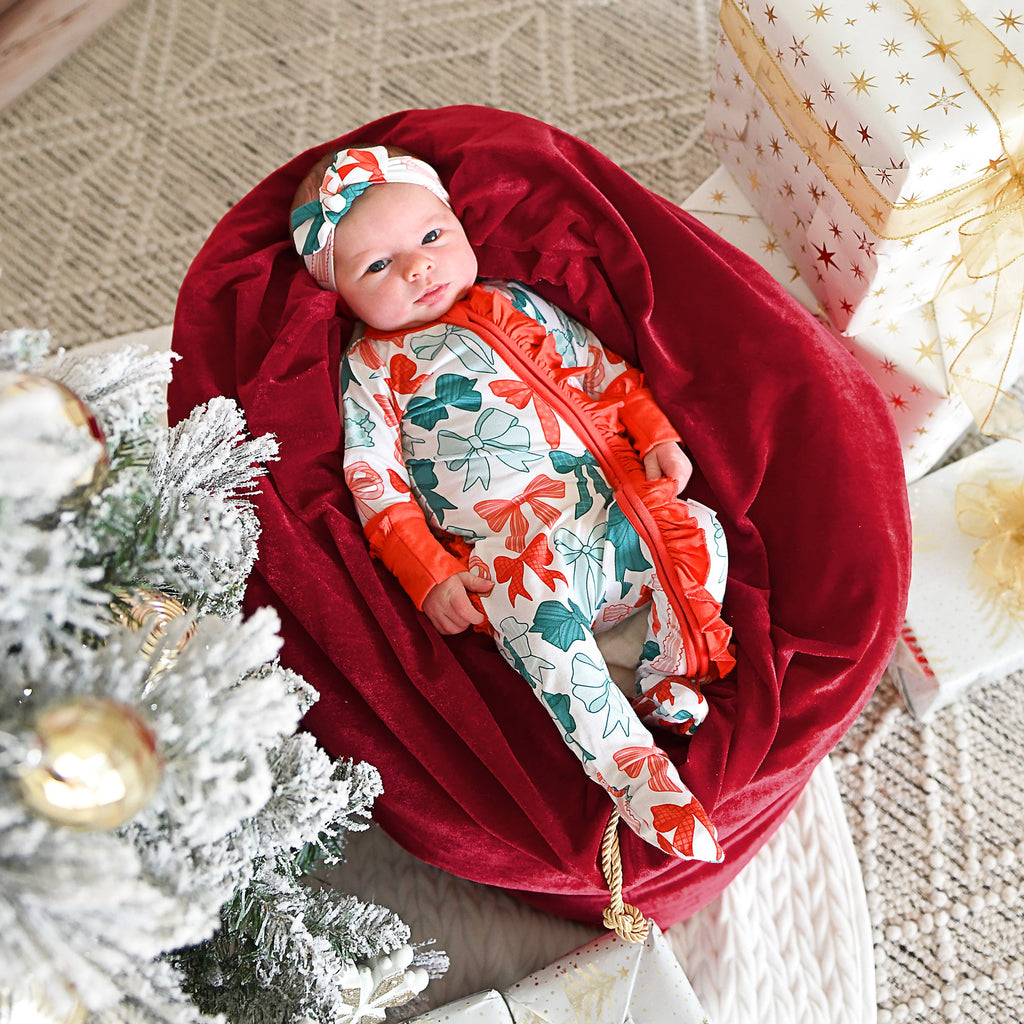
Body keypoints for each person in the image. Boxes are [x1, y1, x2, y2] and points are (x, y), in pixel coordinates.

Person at [290, 145, 734, 862]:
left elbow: (603, 370)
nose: (417, 269)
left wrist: (653, 432)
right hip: (520, 558)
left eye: (431, 237)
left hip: (610, 511)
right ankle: (637, 774)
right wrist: (429, 573)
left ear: (459, 225)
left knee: (701, 531)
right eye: (377, 266)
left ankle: (665, 674)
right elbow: (375, 484)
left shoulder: (512, 303)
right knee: (546, 641)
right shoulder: (370, 369)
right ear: (337, 292)